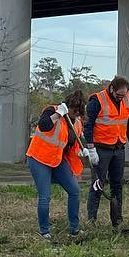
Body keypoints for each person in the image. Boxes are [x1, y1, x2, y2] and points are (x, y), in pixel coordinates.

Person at [27, 90, 89, 241]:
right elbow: (43, 126)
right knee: (45, 196)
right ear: (69, 107)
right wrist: (58, 115)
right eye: (75, 111)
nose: (76, 115)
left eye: (79, 113)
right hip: (39, 159)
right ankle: (44, 231)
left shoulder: (77, 123)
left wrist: (82, 151)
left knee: (74, 191)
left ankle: (74, 228)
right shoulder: (52, 111)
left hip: (57, 160)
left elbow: (70, 145)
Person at [84, 76, 129, 227]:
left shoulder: (126, 99)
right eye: (118, 95)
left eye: (123, 95)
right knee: (97, 184)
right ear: (111, 89)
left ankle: (117, 219)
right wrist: (91, 149)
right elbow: (88, 125)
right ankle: (91, 219)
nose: (121, 98)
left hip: (118, 148)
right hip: (101, 149)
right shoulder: (97, 100)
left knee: (117, 185)